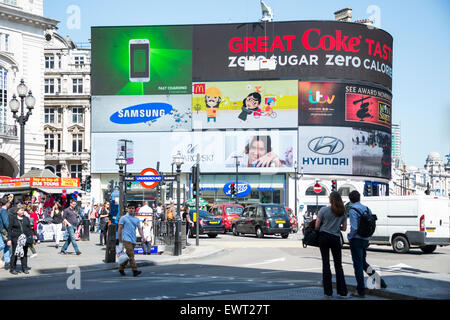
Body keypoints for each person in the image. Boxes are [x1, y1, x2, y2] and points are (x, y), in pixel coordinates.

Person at [347, 190, 387, 298]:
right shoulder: (367, 209)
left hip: (356, 240)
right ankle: (380, 282)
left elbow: (354, 228)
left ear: (350, 200)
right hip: (365, 239)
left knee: (358, 266)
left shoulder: (352, 210)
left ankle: (360, 291)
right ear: (359, 198)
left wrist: (349, 237)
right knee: (363, 263)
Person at [315, 191, 348, 298]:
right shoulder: (342, 212)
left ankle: (328, 292)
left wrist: (324, 226)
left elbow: (317, 225)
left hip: (324, 237)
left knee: (326, 264)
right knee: (338, 265)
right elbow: (344, 228)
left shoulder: (324, 210)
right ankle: (342, 291)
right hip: (335, 238)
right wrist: (335, 226)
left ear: (330, 199)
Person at [117, 203, 145, 276]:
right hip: (126, 239)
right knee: (131, 255)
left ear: (135, 209)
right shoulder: (123, 218)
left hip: (133, 239)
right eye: (130, 208)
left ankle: (121, 268)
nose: (131, 209)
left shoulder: (136, 219)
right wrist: (117, 238)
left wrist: (143, 237)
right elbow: (120, 228)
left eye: (133, 208)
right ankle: (134, 270)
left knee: (128, 255)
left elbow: (139, 229)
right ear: (127, 209)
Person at [7, 204, 33, 275]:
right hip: (15, 238)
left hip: (25, 239)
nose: (23, 211)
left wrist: (30, 237)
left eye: (23, 210)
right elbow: (9, 229)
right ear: (17, 211)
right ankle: (12, 268)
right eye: (21, 210)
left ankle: (24, 268)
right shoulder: (13, 218)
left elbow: (29, 228)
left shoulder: (26, 218)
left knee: (24, 253)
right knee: (15, 253)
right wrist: (9, 239)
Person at [0, 198, 11, 269]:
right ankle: (7, 260)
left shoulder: (2, 210)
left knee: (7, 245)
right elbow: (6, 222)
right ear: (6, 203)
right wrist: (10, 228)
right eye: (9, 202)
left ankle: (7, 260)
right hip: (3, 230)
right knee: (2, 245)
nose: (10, 204)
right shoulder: (3, 211)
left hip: (3, 230)